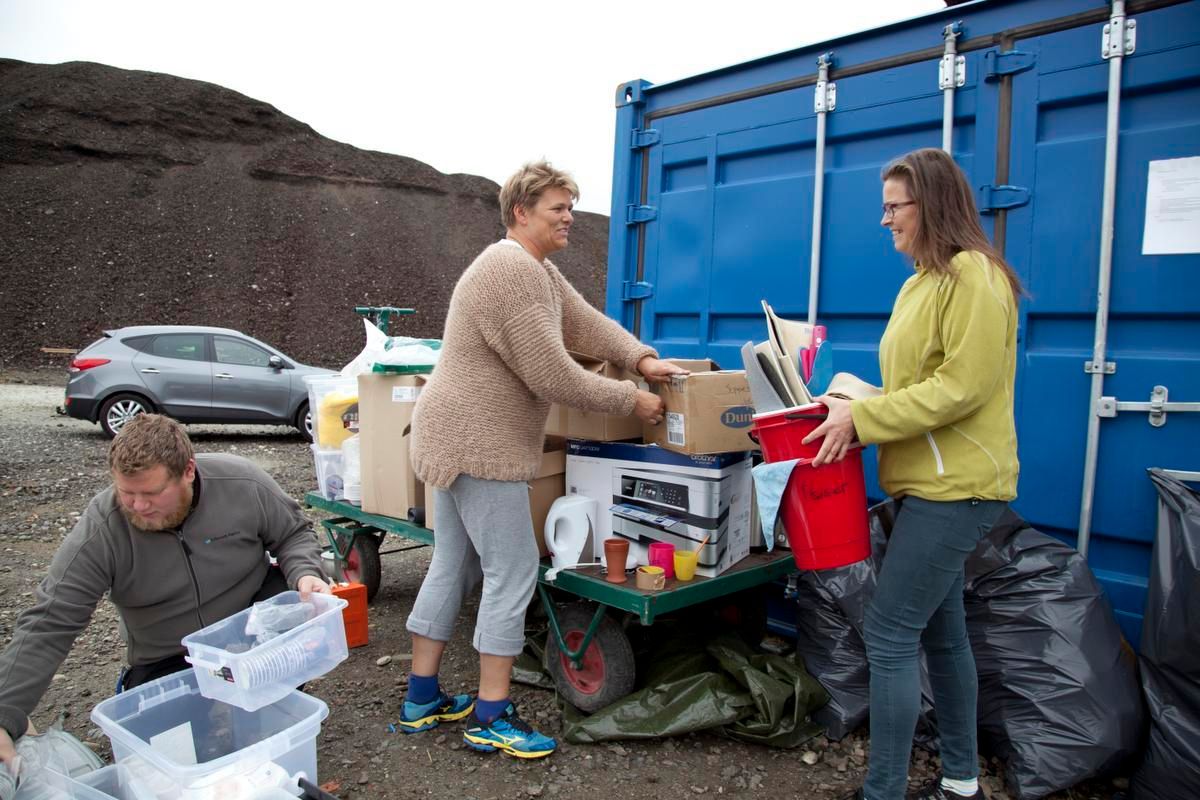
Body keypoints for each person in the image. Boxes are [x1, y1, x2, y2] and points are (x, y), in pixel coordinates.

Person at [401, 161, 683, 758]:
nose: (569, 217)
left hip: (451, 433)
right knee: (513, 571)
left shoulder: (536, 271)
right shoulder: (511, 272)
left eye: (571, 206)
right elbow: (552, 374)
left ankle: (421, 699)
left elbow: (584, 324)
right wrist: (631, 401)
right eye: (558, 207)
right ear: (521, 212)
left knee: (454, 562)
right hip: (480, 443)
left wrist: (641, 358)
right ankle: (491, 714)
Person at [805, 148, 1022, 800]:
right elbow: (913, 387)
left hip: (958, 488)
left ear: (930, 204)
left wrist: (864, 419)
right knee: (943, 634)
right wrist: (851, 400)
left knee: (889, 633)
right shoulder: (919, 283)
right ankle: (961, 783)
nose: (884, 220)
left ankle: (883, 792)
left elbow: (961, 388)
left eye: (893, 206)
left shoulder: (974, 277)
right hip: (925, 483)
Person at [0, 414, 330, 768]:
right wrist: (5, 714)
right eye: (127, 493)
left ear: (188, 471)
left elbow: (293, 534)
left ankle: (271, 712)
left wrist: (306, 572)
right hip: (169, 652)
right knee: (174, 758)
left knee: (290, 633)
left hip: (248, 623)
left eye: (152, 493)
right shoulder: (103, 528)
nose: (139, 506)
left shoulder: (242, 483)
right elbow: (51, 619)